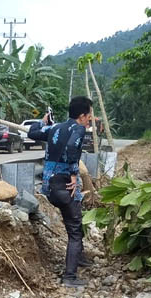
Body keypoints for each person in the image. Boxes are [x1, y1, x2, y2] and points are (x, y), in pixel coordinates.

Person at [28, 97, 93, 288]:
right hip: (64, 184)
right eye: (89, 115)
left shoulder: (55, 128)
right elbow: (73, 147)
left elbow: (33, 132)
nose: (90, 119)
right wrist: (74, 173)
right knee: (74, 231)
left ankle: (79, 257)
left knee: (74, 221)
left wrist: (43, 120)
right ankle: (70, 276)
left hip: (49, 186)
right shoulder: (79, 129)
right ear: (82, 116)